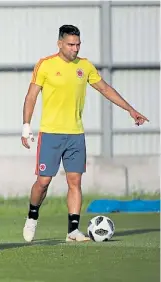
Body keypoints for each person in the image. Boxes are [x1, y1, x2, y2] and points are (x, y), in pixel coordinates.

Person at [21, 25, 149, 242]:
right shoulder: (45, 65)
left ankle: (73, 230)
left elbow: (105, 89)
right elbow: (31, 96)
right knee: (43, 181)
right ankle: (32, 216)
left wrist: (130, 109)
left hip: (76, 134)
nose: (75, 49)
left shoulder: (85, 66)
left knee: (75, 182)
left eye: (78, 44)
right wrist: (26, 125)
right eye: (71, 44)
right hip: (50, 134)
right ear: (60, 43)